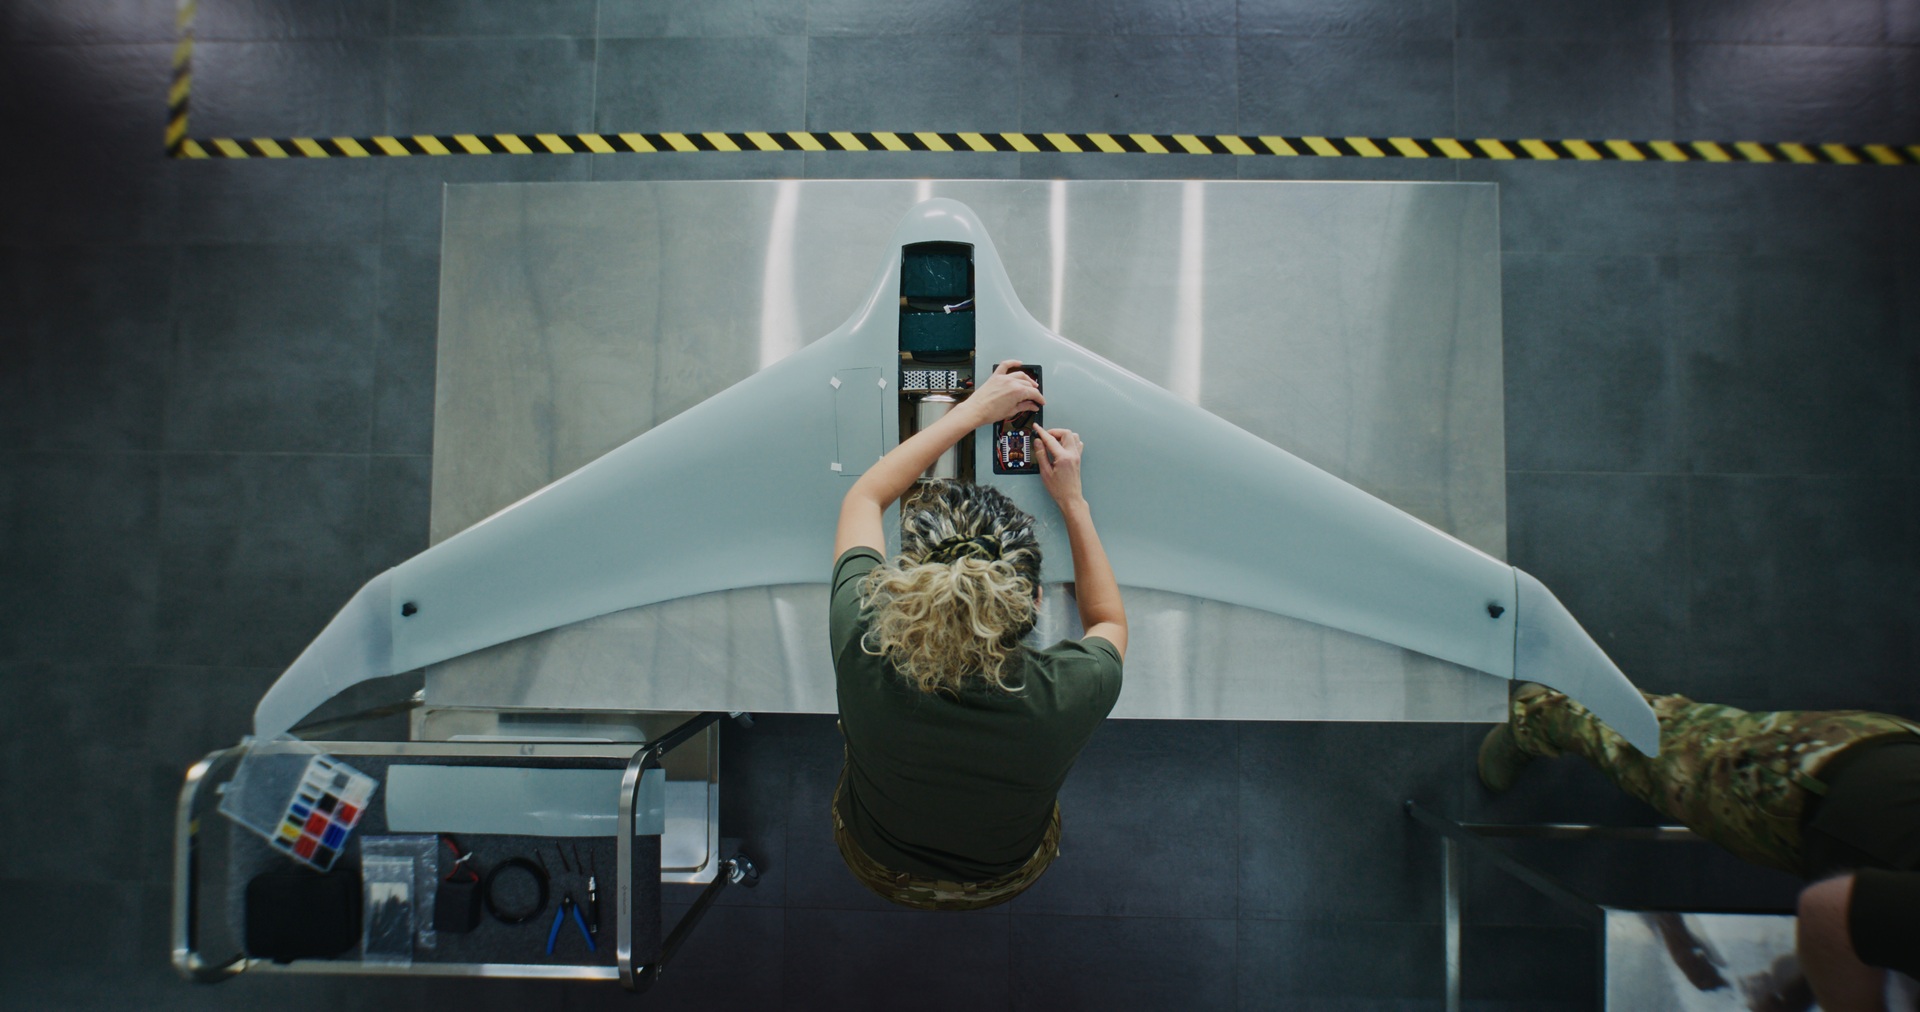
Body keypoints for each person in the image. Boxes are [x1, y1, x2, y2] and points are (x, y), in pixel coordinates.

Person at [829, 360, 1127, 910]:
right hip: (1000, 873)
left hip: (877, 856)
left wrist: (972, 410)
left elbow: (865, 497)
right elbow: (1106, 621)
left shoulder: (866, 643)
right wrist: (1071, 502)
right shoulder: (1066, 692)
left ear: (907, 585)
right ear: (1034, 603)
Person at [1479, 685, 1920, 1009]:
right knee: (1672, 753)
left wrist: (1799, 991)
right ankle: (1544, 713)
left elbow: (1873, 932)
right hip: (1814, 774)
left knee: (1685, 752)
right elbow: (1832, 915)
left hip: (1873, 787)